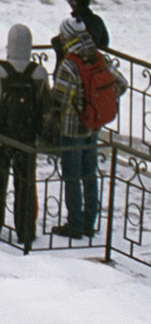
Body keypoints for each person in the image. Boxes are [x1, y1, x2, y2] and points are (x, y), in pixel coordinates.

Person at [53, 17, 126, 238]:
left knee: (72, 177)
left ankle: (74, 225)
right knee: (89, 174)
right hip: (93, 126)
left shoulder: (70, 64)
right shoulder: (98, 58)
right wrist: (96, 104)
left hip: (72, 129)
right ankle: (89, 222)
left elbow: (60, 100)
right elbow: (121, 84)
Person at [0, 23, 48, 249]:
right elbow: (46, 108)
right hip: (27, 140)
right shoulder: (38, 72)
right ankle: (26, 230)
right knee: (26, 185)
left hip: (1, 138)